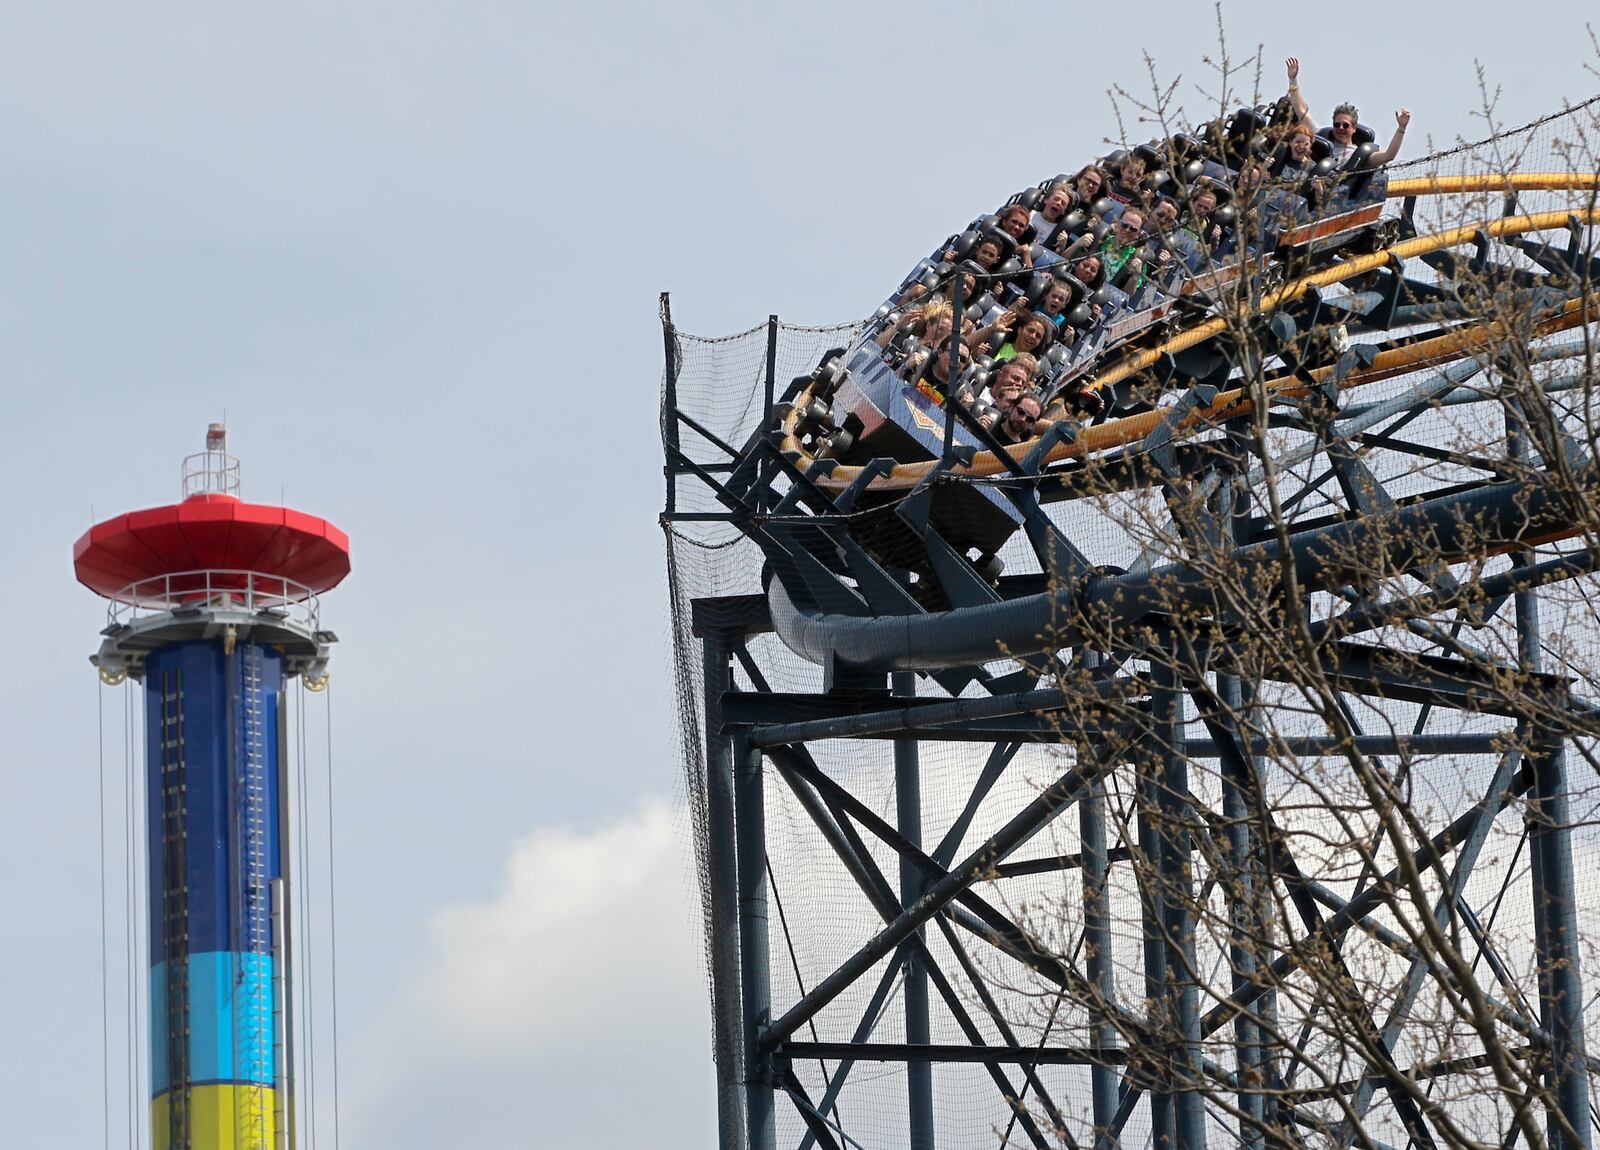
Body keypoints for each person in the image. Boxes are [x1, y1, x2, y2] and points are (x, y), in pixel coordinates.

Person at [1285, 57, 1410, 169]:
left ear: (1354, 128)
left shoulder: (1357, 155)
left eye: (1345, 125)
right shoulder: (1322, 135)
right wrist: (1293, 80)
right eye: (1337, 124)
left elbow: (1388, 155)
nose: (1340, 128)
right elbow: (1300, 110)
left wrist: (1401, 128)